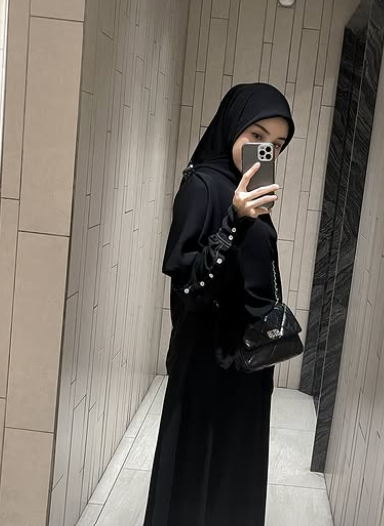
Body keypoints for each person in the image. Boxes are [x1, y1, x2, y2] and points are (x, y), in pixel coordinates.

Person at [143, 83, 295, 526]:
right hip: (208, 361)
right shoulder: (203, 186)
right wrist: (235, 220)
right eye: (256, 136)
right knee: (195, 474)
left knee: (235, 472)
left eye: (276, 145)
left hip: (248, 360)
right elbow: (189, 285)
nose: (265, 150)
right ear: (232, 125)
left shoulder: (247, 190)